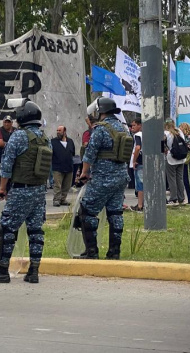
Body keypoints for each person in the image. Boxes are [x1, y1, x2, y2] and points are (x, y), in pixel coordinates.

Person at [0, 99, 51, 283]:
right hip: (39, 191)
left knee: (7, 228)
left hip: (21, 190)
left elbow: (6, 165)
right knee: (35, 231)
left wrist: (2, 188)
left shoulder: (19, 136)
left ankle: (2, 271)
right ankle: (34, 272)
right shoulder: (44, 138)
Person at [72, 97, 130, 260]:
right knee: (115, 213)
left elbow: (89, 154)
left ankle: (91, 252)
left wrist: (84, 173)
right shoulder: (123, 128)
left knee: (87, 212)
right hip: (121, 177)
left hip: (103, 178)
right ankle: (114, 252)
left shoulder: (100, 129)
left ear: (100, 111)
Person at [163, 120, 187, 206]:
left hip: (171, 158)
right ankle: (181, 198)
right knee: (180, 179)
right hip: (181, 158)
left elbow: (162, 146)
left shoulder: (166, 133)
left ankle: (173, 198)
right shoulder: (179, 131)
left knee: (172, 179)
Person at [51, 125, 75, 207]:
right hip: (57, 167)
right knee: (57, 185)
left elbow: (73, 153)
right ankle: (56, 200)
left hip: (68, 167)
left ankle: (63, 199)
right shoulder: (53, 142)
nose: (58, 132)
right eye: (57, 130)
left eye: (60, 130)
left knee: (66, 186)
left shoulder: (70, 141)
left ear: (64, 131)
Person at [129, 118, 143, 212]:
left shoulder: (138, 135)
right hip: (146, 160)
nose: (132, 127)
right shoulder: (147, 134)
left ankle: (140, 205)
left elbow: (138, 148)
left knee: (140, 184)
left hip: (140, 161)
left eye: (134, 125)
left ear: (139, 125)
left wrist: (134, 161)